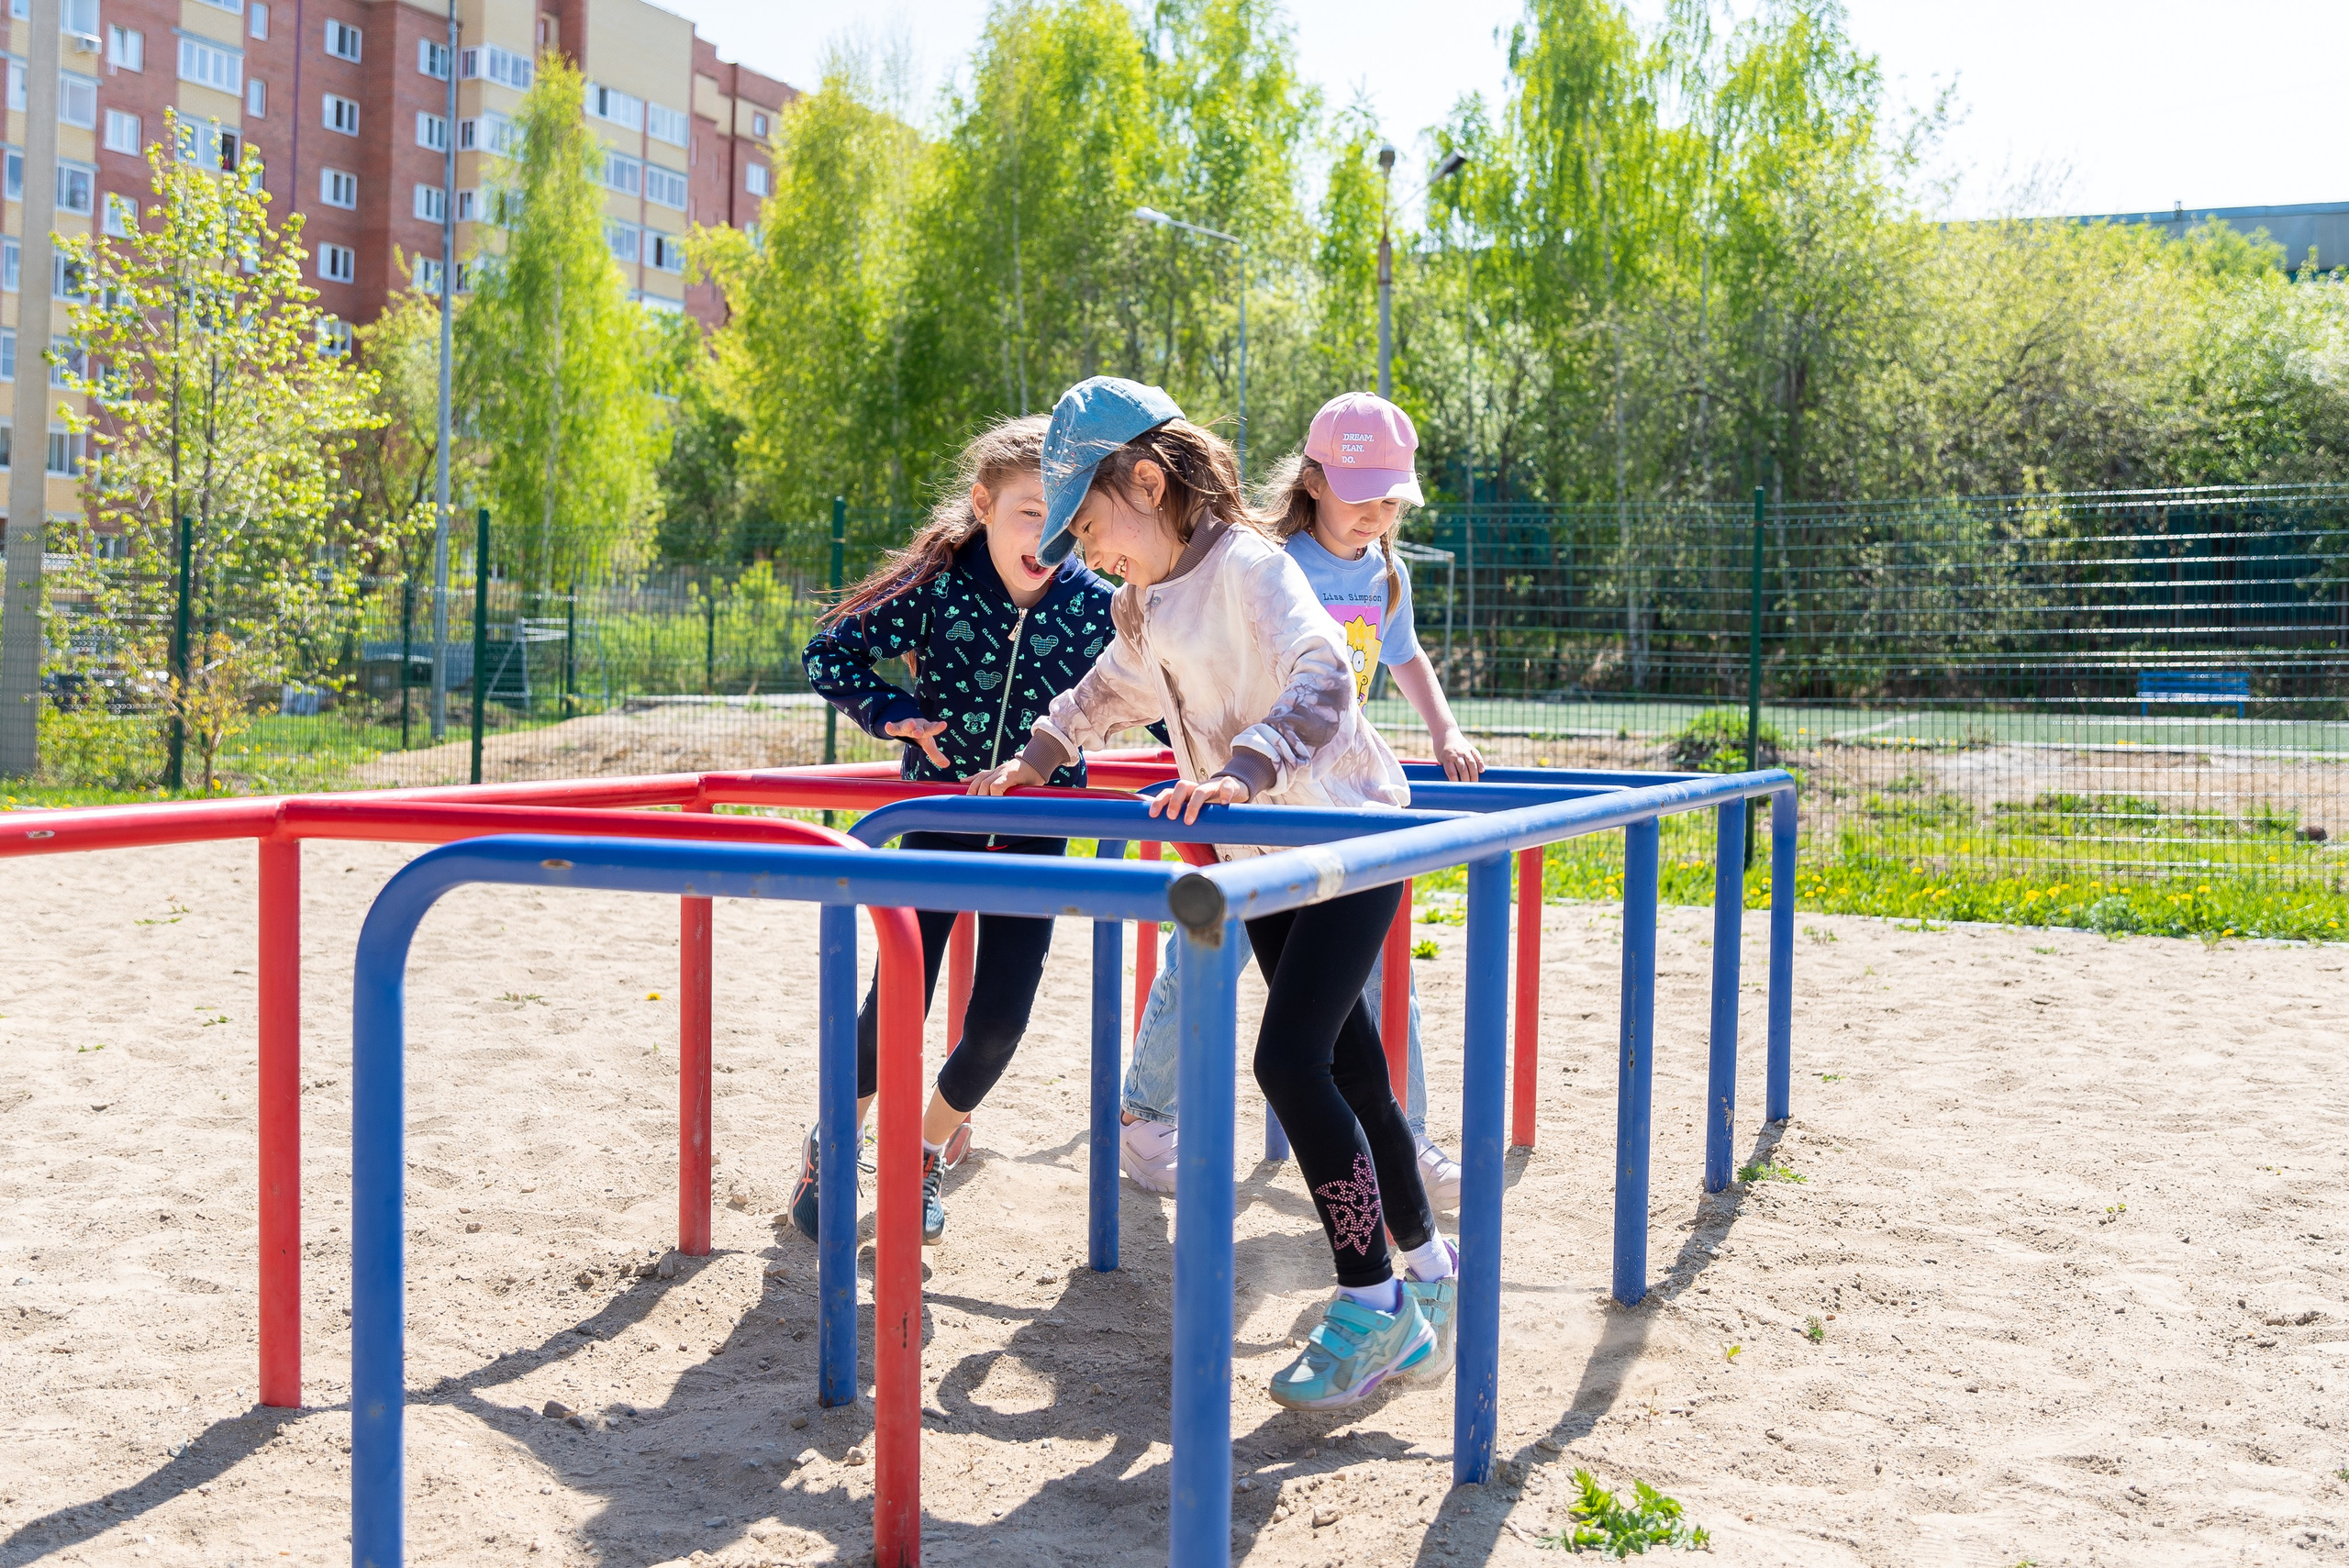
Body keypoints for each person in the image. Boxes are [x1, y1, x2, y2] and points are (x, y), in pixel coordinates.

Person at [971, 376, 1459, 1409]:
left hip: (1341, 831)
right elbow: (1114, 683)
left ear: (1149, 482)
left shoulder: (1251, 567)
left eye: (1094, 523)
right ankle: (1426, 1273)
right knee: (1352, 1071)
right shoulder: (1143, 601)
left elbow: (1322, 677)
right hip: (1265, 854)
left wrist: (1244, 767)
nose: (1090, 551)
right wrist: (1043, 748)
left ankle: (1372, 1301)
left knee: (1288, 1061)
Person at [1117, 391, 1484, 1206]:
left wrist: (1445, 731)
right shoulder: (1265, 562)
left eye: (1392, 500)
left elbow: (1407, 657)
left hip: (1327, 801)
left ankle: (1408, 1138)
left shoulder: (1386, 573)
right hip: (1250, 795)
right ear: (1313, 481)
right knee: (1209, 946)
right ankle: (1144, 1112)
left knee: (1382, 977)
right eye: (1362, 497)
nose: (1377, 514)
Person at [791, 414, 1119, 1247]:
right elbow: (829, 652)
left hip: (1041, 823)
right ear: (982, 504)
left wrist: (1208, 759)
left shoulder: (1097, 609)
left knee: (1001, 1020)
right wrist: (894, 712)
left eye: (1065, 514)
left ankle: (926, 1145)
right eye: (1025, 512)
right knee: (898, 998)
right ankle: (837, 1139)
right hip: (939, 813)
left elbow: (1160, 691)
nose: (1045, 536)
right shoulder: (940, 585)